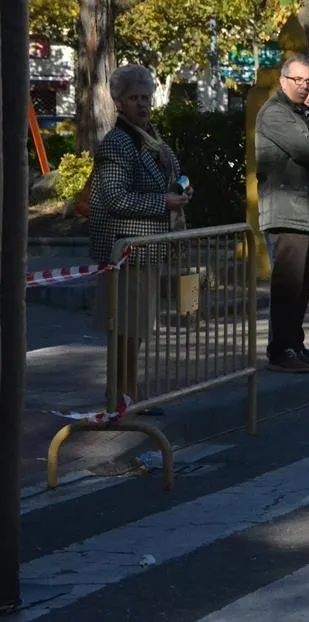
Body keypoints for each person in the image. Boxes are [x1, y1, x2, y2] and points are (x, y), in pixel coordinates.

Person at [89, 64, 191, 413]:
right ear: (118, 102)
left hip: (149, 249)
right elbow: (115, 198)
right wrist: (163, 202)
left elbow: (175, 174)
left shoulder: (152, 139)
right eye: (133, 98)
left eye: (145, 97)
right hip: (126, 249)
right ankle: (125, 393)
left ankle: (129, 390)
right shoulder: (117, 142)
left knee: (138, 327)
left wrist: (182, 189)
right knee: (127, 328)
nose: (142, 104)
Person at [255, 53, 309, 372]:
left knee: (301, 285)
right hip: (285, 209)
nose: (304, 86)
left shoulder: (299, 113)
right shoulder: (275, 112)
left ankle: (295, 343)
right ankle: (281, 349)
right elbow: (307, 150)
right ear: (283, 80)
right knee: (287, 285)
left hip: (303, 210)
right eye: (297, 80)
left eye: (308, 81)